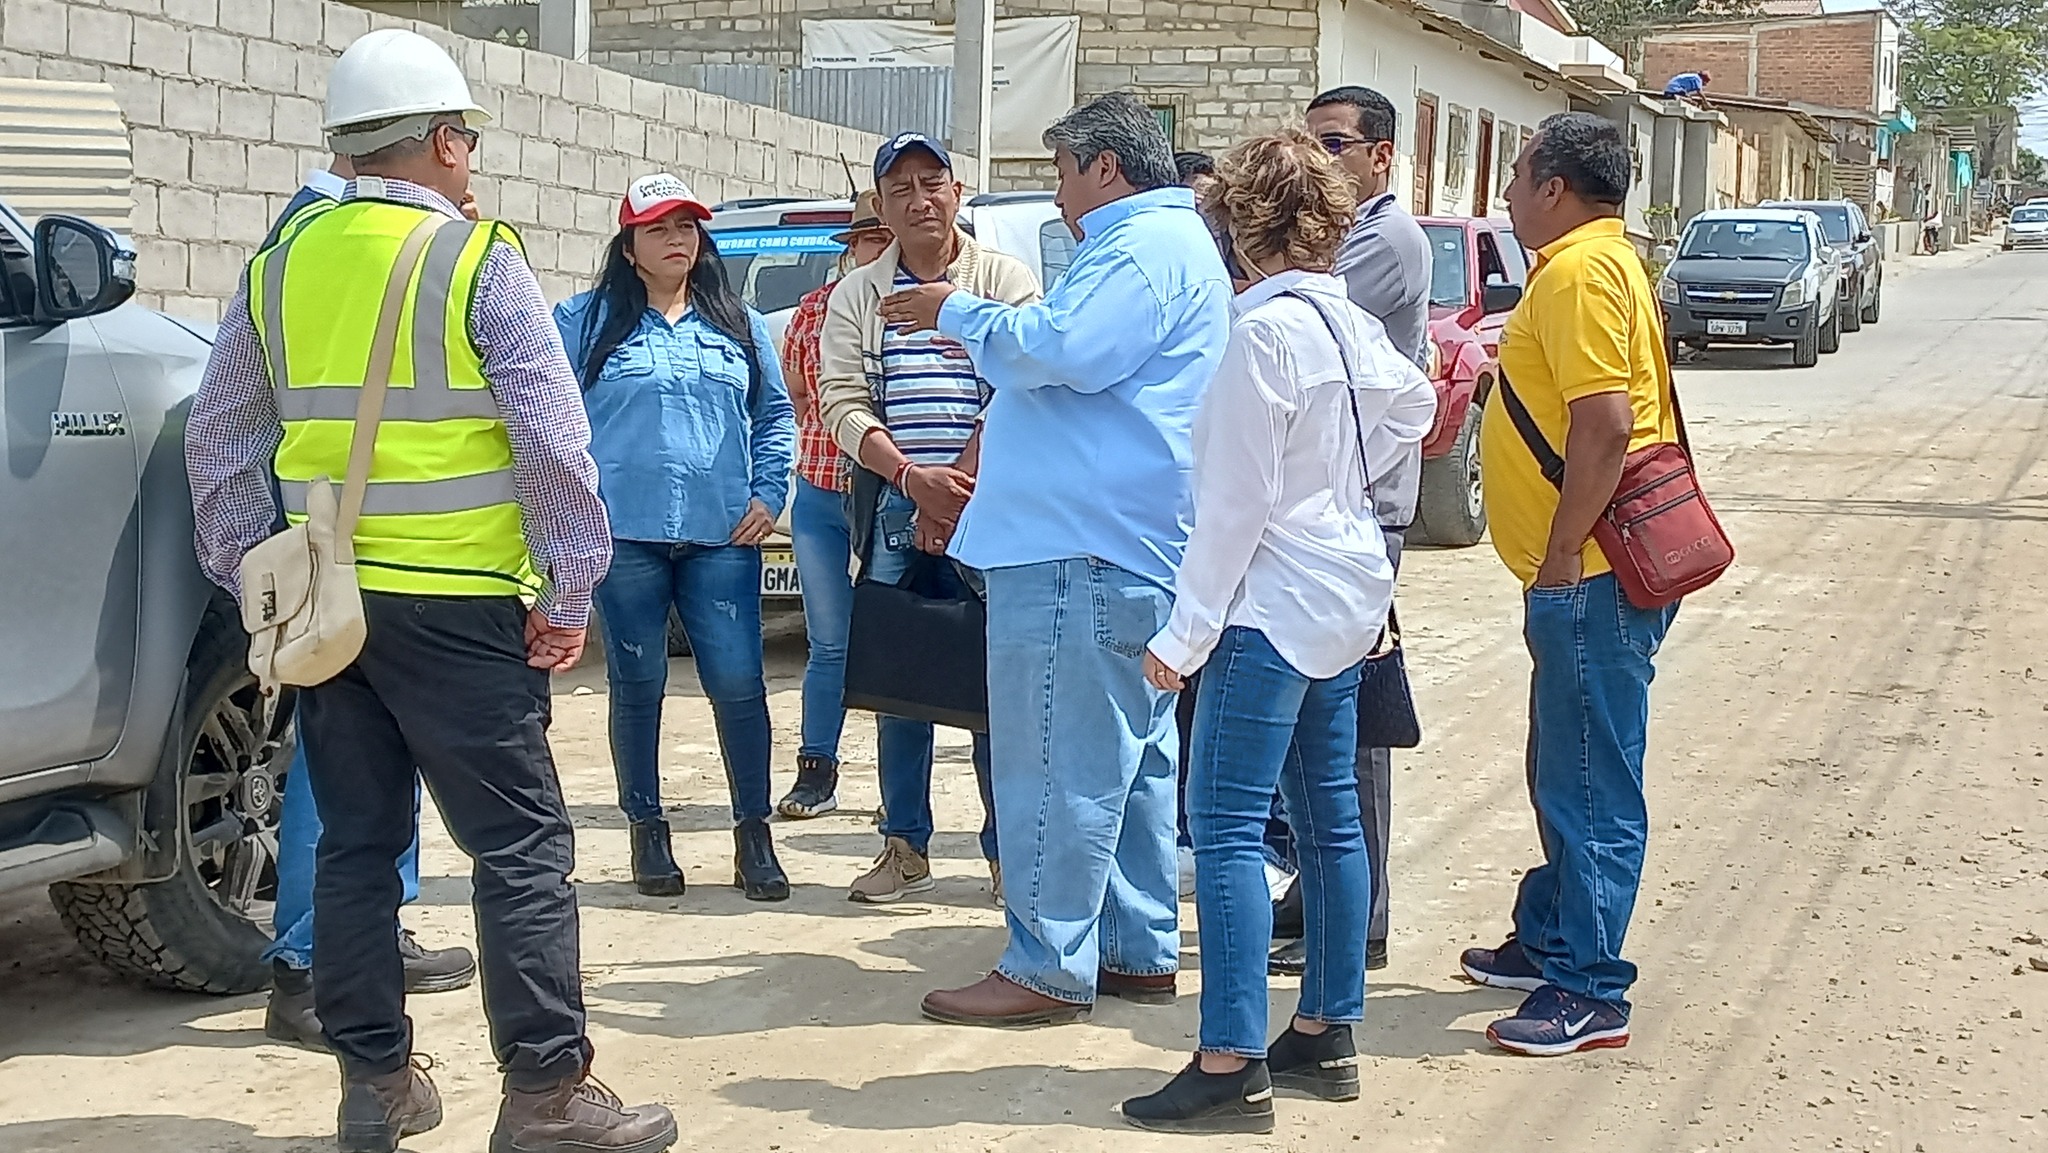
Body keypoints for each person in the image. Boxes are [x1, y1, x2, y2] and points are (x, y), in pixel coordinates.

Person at [186, 27, 675, 1153]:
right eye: (470, 143)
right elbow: (551, 444)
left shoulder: (279, 264)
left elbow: (219, 443)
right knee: (520, 849)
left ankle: (376, 1085)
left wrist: (254, 571)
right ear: (447, 141)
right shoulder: (474, 258)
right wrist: (569, 588)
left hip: (333, 614)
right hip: (462, 607)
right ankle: (545, 1094)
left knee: (355, 846)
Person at [880, 92, 1232, 1026]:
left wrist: (958, 313)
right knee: (1130, 760)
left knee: (1054, 758)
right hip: (1117, 542)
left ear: (1105, 168)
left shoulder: (1139, 246)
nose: (1060, 194)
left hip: (1080, 545)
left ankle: (1045, 962)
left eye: (1064, 172)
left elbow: (1065, 349)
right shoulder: (1167, 243)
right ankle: (1133, 946)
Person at [1121, 129, 1435, 1135]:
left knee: (1222, 827)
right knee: (1330, 817)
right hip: (1344, 595)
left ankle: (1228, 1060)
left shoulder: (1258, 335)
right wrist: (1335, 477)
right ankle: (1325, 1031)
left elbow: (1233, 508)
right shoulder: (1346, 321)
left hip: (1270, 607)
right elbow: (1419, 405)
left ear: (1238, 230)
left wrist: (1182, 637)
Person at [1459, 111, 1682, 1057]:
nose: (1508, 194)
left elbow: (1604, 424)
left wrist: (1561, 550)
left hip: (1589, 573)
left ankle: (1589, 988)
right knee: (1565, 761)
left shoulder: (1582, 273)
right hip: (1585, 571)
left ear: (1553, 187)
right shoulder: (1601, 260)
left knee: (1588, 779)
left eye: (1517, 177)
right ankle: (1550, 933)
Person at [257, 160, 478, 1051]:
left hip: (376, 558)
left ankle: (367, 942)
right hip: (352, 562)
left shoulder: (322, 232)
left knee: (371, 776)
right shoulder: (320, 233)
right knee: (337, 782)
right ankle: (307, 963)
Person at [556, 173, 797, 902]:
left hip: (720, 535)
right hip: (624, 536)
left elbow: (774, 415)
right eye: (658, 228)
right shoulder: (584, 322)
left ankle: (753, 834)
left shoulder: (737, 322)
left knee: (738, 683)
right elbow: (549, 417)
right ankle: (648, 829)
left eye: (687, 227)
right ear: (628, 246)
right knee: (638, 684)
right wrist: (574, 509)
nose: (676, 240)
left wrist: (768, 492)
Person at [818, 133, 1042, 906]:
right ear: (882, 208)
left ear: (957, 192)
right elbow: (841, 402)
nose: (920, 200)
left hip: (993, 509)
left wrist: (960, 485)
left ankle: (1006, 854)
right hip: (896, 508)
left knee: (994, 688)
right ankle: (904, 846)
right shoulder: (858, 294)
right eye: (901, 189)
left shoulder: (1003, 279)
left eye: (932, 183)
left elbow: (1023, 385)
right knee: (899, 683)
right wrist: (915, 482)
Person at [1265, 85, 1437, 978]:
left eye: (1334, 144)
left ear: (1380, 157)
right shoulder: (1346, 237)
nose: (1320, 158)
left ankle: (1358, 916)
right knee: (1310, 716)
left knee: (1353, 725)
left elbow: (1288, 301)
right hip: (1327, 509)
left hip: (1364, 509)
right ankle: (1319, 891)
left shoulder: (1384, 241)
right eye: (1310, 142)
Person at [774, 190, 894, 821]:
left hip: (894, 495)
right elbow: (797, 394)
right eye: (869, 238)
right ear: (853, 247)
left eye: (885, 237)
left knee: (905, 639)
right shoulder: (815, 309)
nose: (878, 248)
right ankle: (817, 769)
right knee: (829, 641)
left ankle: (901, 798)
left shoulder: (922, 306)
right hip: (824, 489)